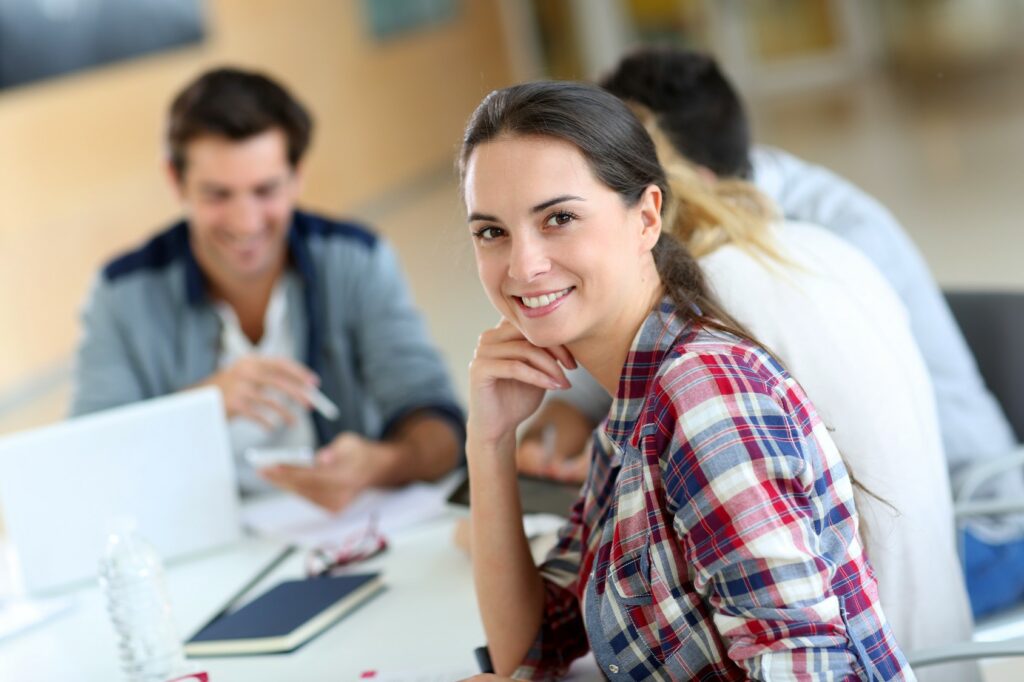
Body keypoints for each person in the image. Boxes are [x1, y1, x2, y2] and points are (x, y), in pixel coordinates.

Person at [520, 47, 1022, 621]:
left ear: (665, 193)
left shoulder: (791, 259)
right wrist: (566, 410)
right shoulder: (733, 225)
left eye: (620, 178)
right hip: (865, 550)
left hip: (965, 526)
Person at [460, 80, 912, 679]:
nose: (523, 265)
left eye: (559, 218)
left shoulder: (705, 396)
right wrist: (488, 443)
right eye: (492, 231)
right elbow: (535, 643)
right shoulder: (632, 407)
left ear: (646, 217)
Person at [70, 67, 463, 512]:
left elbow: (442, 427)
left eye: (265, 190)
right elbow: (85, 464)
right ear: (175, 181)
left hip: (343, 526)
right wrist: (201, 408)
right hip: (197, 531)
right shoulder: (120, 293)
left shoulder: (357, 259)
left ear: (297, 176)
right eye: (218, 194)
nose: (245, 222)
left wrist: (383, 464)